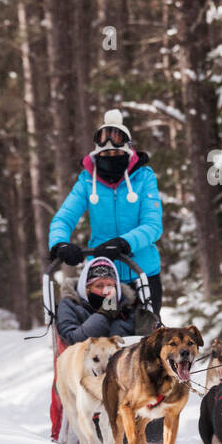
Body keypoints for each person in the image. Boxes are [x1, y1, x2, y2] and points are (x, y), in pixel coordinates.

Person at [48, 107, 164, 315]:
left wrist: (124, 242)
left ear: (127, 151)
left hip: (143, 275)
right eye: (106, 153)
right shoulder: (86, 181)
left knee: (145, 337)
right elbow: (63, 219)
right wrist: (60, 243)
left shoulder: (144, 178)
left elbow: (153, 225)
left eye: (117, 153)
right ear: (97, 153)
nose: (112, 156)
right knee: (104, 336)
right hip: (103, 278)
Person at [55, 255, 134, 345]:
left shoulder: (126, 305)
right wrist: (104, 315)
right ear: (87, 287)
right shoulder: (70, 304)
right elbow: (70, 341)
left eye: (110, 286)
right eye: (99, 286)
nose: (105, 291)